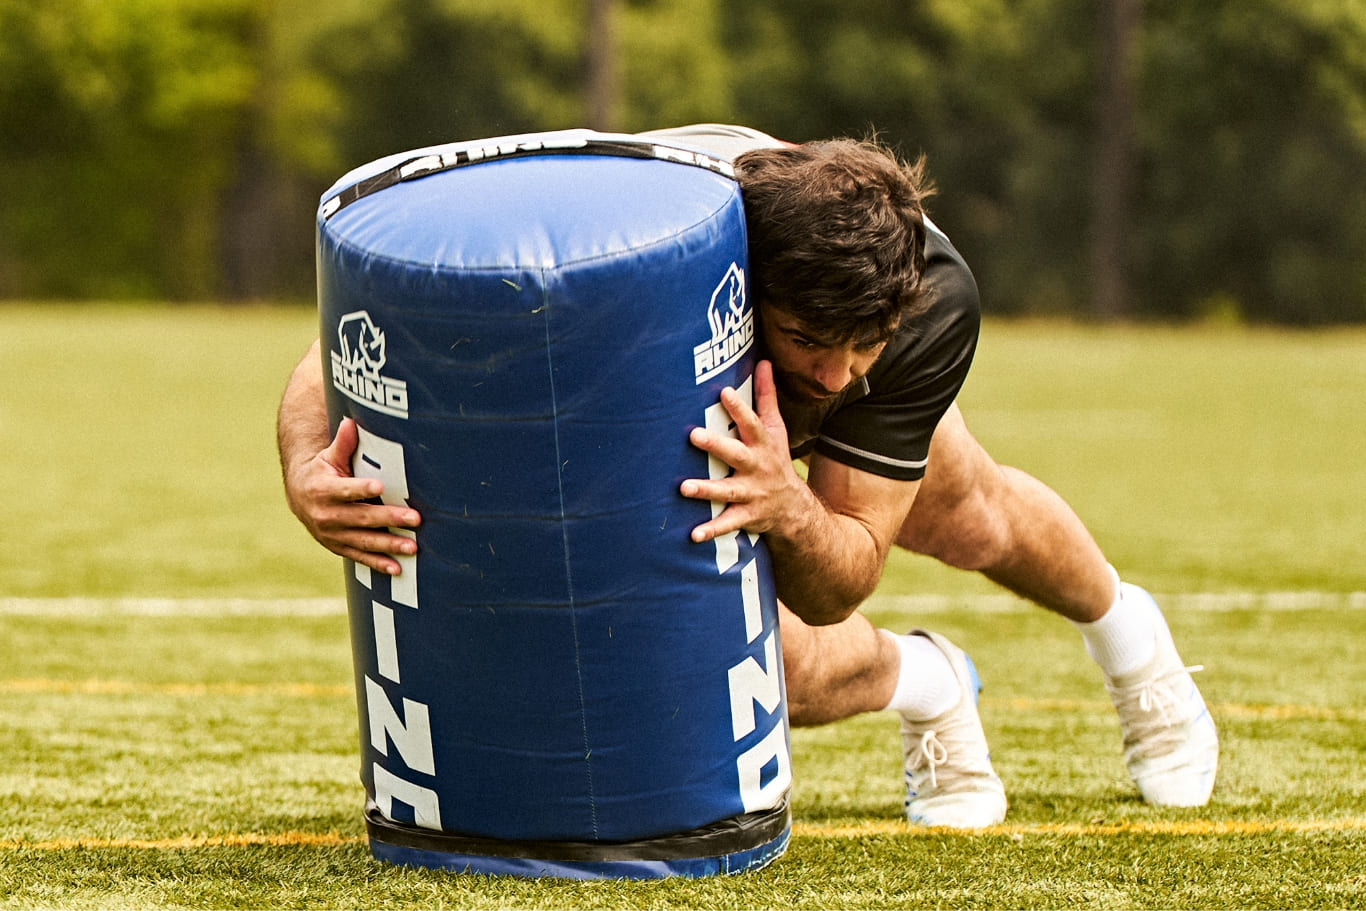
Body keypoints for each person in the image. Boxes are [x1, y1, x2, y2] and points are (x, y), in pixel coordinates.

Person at [278, 124, 1218, 828]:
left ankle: (1138, 651)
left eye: (867, 347)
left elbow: (844, 574)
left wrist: (792, 501)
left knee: (969, 515)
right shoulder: (657, 262)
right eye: (815, 341)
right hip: (667, 375)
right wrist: (303, 473)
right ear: (746, 280)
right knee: (763, 661)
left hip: (789, 369)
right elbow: (338, 349)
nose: (840, 374)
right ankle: (932, 681)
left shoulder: (919, 304)